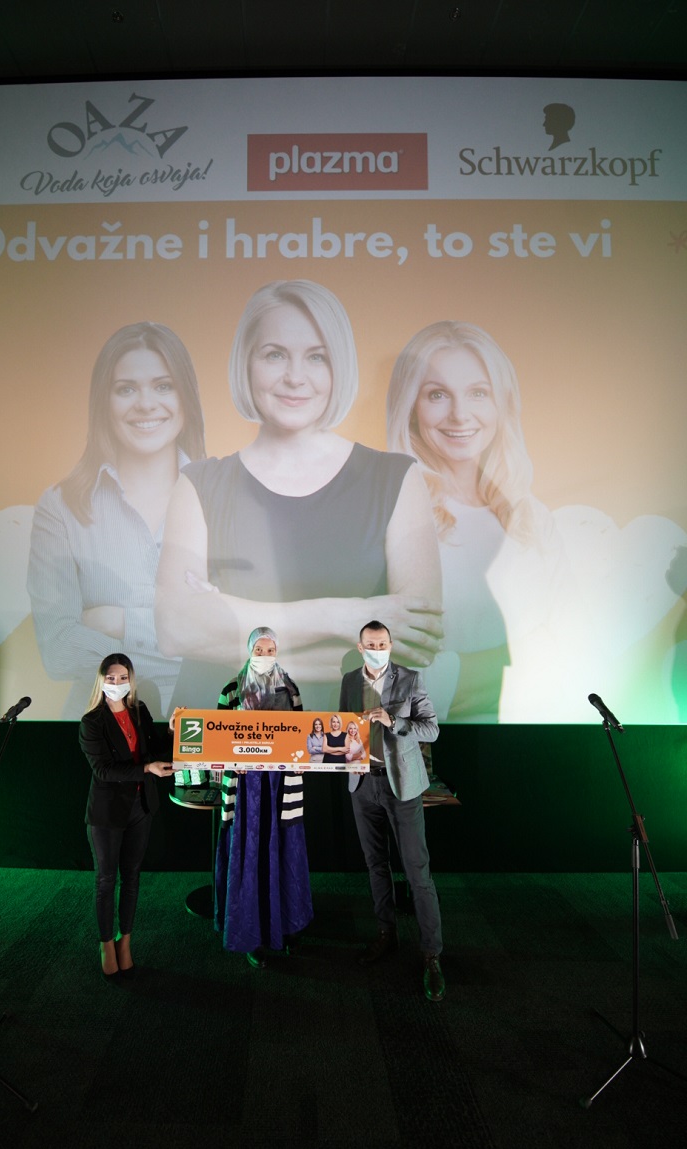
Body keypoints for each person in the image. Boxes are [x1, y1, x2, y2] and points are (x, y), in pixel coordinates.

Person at [156, 279, 443, 714]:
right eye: (275, 355)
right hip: (222, 738)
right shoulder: (197, 484)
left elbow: (413, 647)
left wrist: (226, 626)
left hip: (348, 739)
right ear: (247, 363)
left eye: (317, 357)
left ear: (338, 367)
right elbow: (176, 630)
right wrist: (346, 618)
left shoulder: (397, 479)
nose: (295, 377)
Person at [386, 320, 574, 722]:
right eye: (437, 394)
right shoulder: (393, 515)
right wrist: (521, 666)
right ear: (411, 407)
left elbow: (573, 654)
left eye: (478, 393)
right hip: (434, 749)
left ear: (501, 404)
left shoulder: (533, 519)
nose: (460, 414)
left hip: (536, 742)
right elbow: (398, 686)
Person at [28, 322, 206, 720]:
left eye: (163, 386)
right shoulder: (61, 507)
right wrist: (185, 643)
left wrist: (121, 622)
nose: (146, 404)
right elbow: (59, 650)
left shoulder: (223, 498)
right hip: (100, 731)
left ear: (186, 397)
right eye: (126, 389)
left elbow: (235, 642)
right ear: (103, 403)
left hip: (205, 727)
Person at [340, 621, 445, 1002]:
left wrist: (393, 720)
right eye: (370, 644)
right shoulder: (350, 681)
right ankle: (386, 934)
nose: (377, 649)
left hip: (402, 786)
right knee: (376, 865)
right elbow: (342, 728)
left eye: (382, 643)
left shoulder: (410, 679)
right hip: (362, 784)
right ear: (360, 647)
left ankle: (431, 954)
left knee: (417, 871)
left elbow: (431, 730)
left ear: (390, 644)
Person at [214, 627, 313, 969]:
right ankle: (250, 934)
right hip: (245, 788)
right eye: (259, 649)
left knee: (283, 852)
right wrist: (233, 761)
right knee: (250, 854)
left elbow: (302, 736)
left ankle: (284, 927)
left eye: (271, 650)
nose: (265, 655)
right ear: (249, 650)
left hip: (281, 784)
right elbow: (217, 738)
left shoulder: (291, 688)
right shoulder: (232, 689)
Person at [78, 653, 174, 980]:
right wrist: (146, 769)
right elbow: (103, 770)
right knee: (106, 880)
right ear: (101, 680)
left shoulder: (139, 710)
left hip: (140, 807)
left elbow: (155, 750)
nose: (117, 683)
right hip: (107, 813)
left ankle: (125, 940)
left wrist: (172, 731)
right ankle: (106, 943)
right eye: (111, 678)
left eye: (123, 677)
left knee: (131, 877)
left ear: (131, 679)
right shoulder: (92, 721)